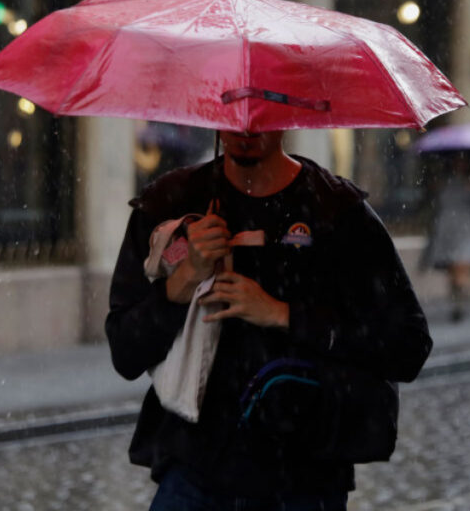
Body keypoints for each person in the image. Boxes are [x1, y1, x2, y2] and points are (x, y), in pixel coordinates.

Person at [106, 130, 432, 511]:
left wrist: (282, 314)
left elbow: (408, 346)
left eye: (263, 106)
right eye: (235, 106)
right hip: (195, 473)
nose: (247, 126)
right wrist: (184, 278)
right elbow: (125, 353)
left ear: (286, 110)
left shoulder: (335, 211)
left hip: (305, 479)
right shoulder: (171, 202)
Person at [423, 154, 470, 322]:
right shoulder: (443, 182)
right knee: (452, 267)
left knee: (463, 264)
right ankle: (457, 300)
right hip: (448, 227)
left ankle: (460, 302)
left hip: (467, 226)